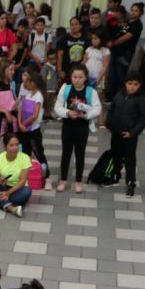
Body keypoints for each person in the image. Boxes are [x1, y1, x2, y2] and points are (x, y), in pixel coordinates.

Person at [54, 64, 101, 193]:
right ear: (71, 77)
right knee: (66, 153)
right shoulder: (65, 88)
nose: (77, 80)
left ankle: (78, 181)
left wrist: (85, 116)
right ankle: (63, 180)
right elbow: (57, 107)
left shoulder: (91, 91)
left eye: (80, 77)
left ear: (85, 78)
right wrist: (67, 113)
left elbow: (97, 109)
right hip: (67, 126)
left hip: (82, 128)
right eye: (75, 77)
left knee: (80, 154)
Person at [105, 71, 145, 197]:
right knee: (116, 155)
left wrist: (132, 133)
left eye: (135, 84)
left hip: (130, 136)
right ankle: (115, 175)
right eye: (130, 83)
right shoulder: (119, 95)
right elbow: (111, 109)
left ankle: (130, 183)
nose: (132, 87)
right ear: (125, 83)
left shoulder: (142, 100)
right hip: (116, 133)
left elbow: (143, 119)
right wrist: (109, 123)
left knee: (129, 159)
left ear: (140, 85)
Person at [0, 132, 31, 217]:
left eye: (17, 145)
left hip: (18, 188)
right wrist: (0, 181)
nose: (15, 148)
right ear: (5, 147)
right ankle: (11, 208)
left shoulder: (25, 158)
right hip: (4, 187)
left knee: (27, 191)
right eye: (11, 145)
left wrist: (8, 193)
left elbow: (22, 181)